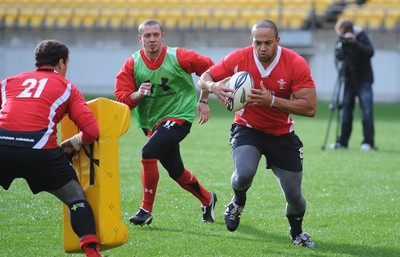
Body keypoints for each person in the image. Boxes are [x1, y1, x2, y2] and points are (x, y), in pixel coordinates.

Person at [198, 19, 317, 248]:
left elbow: (310, 107)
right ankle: (238, 201)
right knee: (243, 174)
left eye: (268, 43)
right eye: (258, 42)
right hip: (248, 128)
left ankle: (297, 232)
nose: (262, 48)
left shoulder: (295, 62)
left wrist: (271, 100)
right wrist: (213, 89)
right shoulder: (240, 57)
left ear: (277, 41)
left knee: (294, 195)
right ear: (251, 41)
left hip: (282, 133)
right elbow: (206, 77)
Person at [0, 40, 103, 257]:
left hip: (3, 147)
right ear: (62, 62)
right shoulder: (66, 87)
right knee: (76, 198)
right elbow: (92, 131)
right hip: (40, 152)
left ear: (36, 62)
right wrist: (74, 143)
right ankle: (93, 253)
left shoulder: (8, 82)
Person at [114, 19, 217, 226]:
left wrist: (203, 100)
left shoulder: (179, 56)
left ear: (162, 36)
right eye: (147, 35)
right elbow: (122, 99)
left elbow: (211, 70)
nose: (151, 39)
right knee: (176, 172)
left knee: (148, 153)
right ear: (140, 38)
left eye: (155, 35)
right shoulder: (132, 63)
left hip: (180, 116)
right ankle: (208, 199)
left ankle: (145, 210)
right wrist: (137, 94)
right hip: (151, 123)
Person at [330, 18, 375, 151]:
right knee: (345, 111)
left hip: (363, 79)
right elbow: (337, 57)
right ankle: (343, 142)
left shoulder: (361, 36)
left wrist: (355, 43)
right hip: (348, 79)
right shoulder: (341, 40)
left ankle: (368, 142)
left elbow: (370, 52)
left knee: (366, 111)